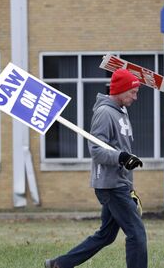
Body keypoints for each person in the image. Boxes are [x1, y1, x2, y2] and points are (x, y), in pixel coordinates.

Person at [45, 68, 147, 268]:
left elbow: (119, 149)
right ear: (121, 90)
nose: (136, 97)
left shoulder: (121, 111)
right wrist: (122, 157)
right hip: (111, 185)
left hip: (120, 183)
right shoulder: (104, 113)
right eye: (133, 92)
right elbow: (96, 151)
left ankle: (59, 264)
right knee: (137, 234)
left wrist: (127, 162)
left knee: (106, 235)